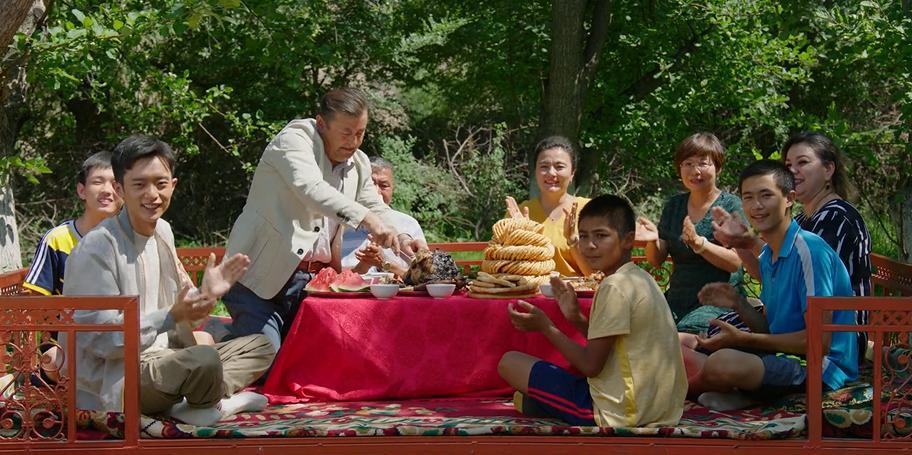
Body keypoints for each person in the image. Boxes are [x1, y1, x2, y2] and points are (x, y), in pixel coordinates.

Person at [63, 135, 275, 427]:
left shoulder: (163, 230)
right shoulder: (97, 249)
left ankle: (195, 402)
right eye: (139, 185)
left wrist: (206, 295)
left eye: (161, 184)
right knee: (205, 361)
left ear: (172, 185)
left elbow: (180, 311)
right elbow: (102, 342)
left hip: (166, 356)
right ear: (119, 188)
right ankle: (209, 405)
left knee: (261, 346)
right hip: (117, 375)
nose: (153, 194)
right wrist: (171, 317)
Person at [222, 87, 421, 352]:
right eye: (346, 133)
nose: (354, 142)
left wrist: (401, 237)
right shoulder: (294, 140)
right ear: (321, 124)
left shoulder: (359, 163)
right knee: (262, 362)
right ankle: (207, 350)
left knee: (313, 364)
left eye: (360, 133)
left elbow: (375, 205)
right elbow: (311, 190)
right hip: (258, 277)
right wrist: (366, 219)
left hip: (311, 285)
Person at [498, 194, 687, 427]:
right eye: (584, 236)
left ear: (628, 240)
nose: (590, 245)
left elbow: (590, 365)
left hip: (619, 412)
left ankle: (541, 405)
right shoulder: (638, 277)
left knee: (509, 362)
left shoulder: (615, 286)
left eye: (601, 236)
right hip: (659, 409)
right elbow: (612, 345)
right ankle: (536, 404)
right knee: (529, 391)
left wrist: (545, 327)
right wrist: (576, 317)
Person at [684, 160, 858, 411]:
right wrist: (737, 302)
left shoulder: (809, 251)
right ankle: (744, 393)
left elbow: (819, 342)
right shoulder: (770, 255)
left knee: (723, 363)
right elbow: (771, 329)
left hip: (822, 368)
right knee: (679, 344)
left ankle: (681, 394)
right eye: (748, 197)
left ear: (789, 198)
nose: (756, 206)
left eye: (766, 195)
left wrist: (744, 339)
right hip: (782, 356)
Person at [711, 132, 872, 351]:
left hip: (837, 339)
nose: (792, 170)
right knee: (713, 331)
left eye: (803, 162)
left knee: (715, 342)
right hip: (798, 324)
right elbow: (771, 273)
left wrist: (748, 241)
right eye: (788, 164)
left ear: (828, 170)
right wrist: (739, 242)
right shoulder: (803, 218)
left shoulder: (836, 217)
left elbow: (802, 283)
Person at [635, 133, 744, 334]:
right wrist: (652, 240)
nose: (695, 171)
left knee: (683, 337)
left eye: (703, 163)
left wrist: (699, 244)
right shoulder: (674, 206)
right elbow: (656, 261)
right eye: (688, 164)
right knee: (638, 329)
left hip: (719, 301)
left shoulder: (730, 205)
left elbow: (736, 262)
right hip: (676, 299)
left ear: (718, 167)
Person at [23, 151, 121, 296]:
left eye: (115, 184)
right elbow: (35, 301)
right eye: (98, 182)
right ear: (82, 191)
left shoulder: (134, 239)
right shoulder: (56, 240)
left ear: (125, 191)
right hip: (65, 319)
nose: (107, 190)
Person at [505, 136, 591, 277]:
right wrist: (519, 240)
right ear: (535, 172)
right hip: (531, 294)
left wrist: (573, 242)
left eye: (559, 167)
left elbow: (597, 276)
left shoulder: (589, 211)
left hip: (577, 295)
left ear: (572, 174)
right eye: (544, 167)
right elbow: (502, 267)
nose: (551, 173)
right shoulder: (519, 213)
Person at [341, 156, 427, 277]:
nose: (376, 192)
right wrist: (362, 267)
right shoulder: (339, 225)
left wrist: (385, 263)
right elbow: (330, 275)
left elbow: (424, 275)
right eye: (370, 185)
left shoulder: (409, 224)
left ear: (393, 190)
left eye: (384, 185)